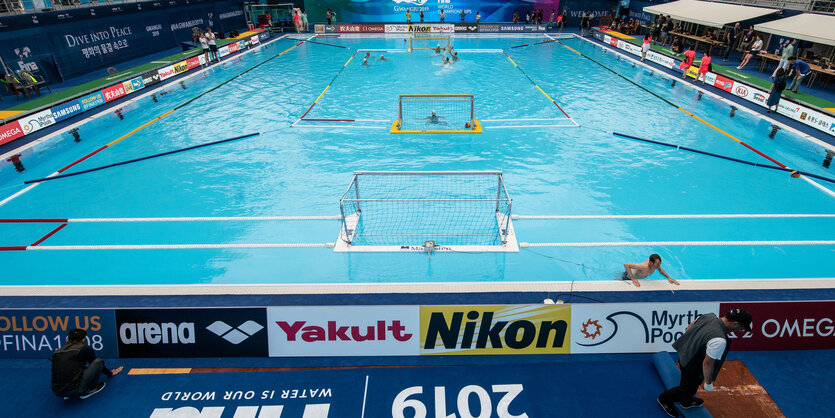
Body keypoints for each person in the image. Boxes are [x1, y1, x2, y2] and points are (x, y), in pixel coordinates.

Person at [657, 309, 753, 417]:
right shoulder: (719, 340)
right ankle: (664, 399)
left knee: (686, 382)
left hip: (684, 354)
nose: (740, 330)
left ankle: (686, 401)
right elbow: (708, 363)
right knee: (688, 388)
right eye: (741, 328)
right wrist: (708, 382)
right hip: (693, 364)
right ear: (735, 324)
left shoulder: (708, 316)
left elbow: (689, 327)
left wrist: (692, 345)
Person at [51, 328, 123, 399]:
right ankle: (88, 390)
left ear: (67, 339)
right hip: (76, 390)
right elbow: (95, 364)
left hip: (57, 392)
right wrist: (110, 373)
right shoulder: (84, 348)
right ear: (83, 339)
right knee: (98, 362)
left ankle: (68, 393)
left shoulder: (57, 352)